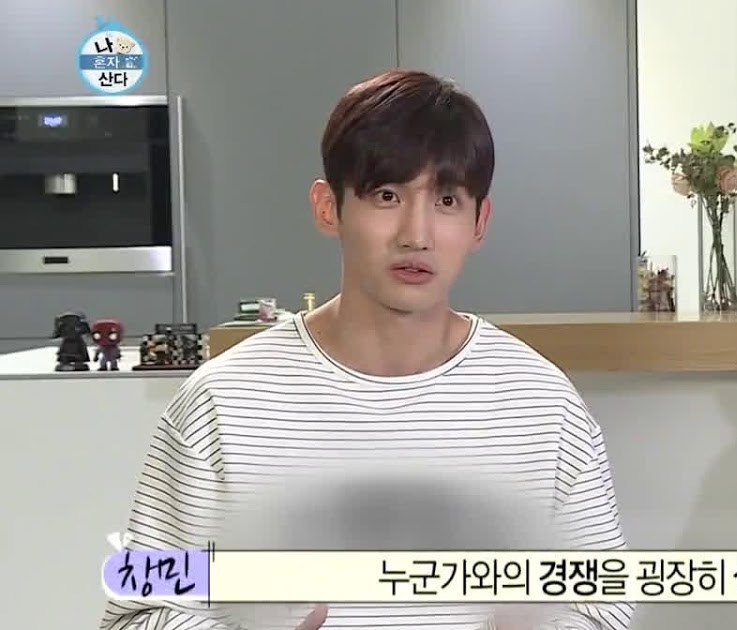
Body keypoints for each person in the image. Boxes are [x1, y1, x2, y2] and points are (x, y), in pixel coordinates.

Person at [97, 69, 635, 630]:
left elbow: (603, 606)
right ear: (328, 207)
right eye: (386, 195)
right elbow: (139, 614)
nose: (416, 234)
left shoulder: (542, 405)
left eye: (446, 200)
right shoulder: (222, 403)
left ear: (480, 222)